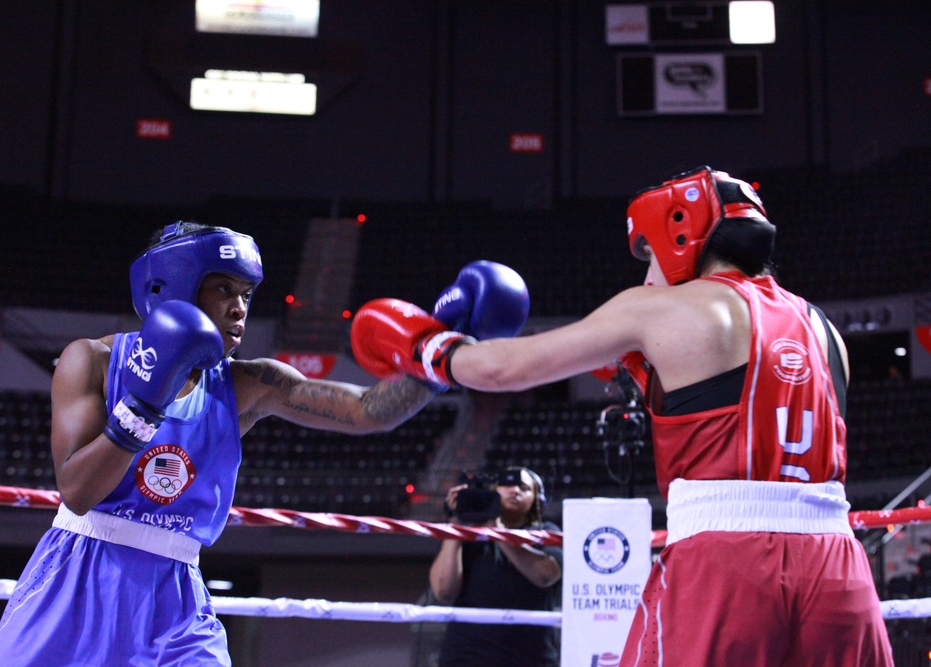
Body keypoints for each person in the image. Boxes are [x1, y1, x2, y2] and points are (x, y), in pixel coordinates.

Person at [351, 166, 895, 666]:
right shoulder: (824, 328)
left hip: (726, 558)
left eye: (650, 252)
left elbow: (500, 371)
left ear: (680, 234)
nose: (651, 270)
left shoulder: (664, 309)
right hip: (838, 562)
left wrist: (428, 346)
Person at [0, 221, 529, 666]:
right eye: (223, 288)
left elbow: (368, 412)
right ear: (171, 285)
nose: (240, 307)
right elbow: (77, 490)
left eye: (246, 294)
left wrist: (436, 350)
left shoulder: (246, 382)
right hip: (80, 576)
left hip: (175, 593)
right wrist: (147, 402)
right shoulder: (94, 361)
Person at [430, 466, 562, 667]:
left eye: (523, 487)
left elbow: (545, 575)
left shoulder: (545, 532)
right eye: (506, 485)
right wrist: (455, 525)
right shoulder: (466, 535)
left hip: (530, 658)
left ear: (537, 500)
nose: (514, 491)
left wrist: (497, 530)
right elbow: (443, 591)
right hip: (466, 657)